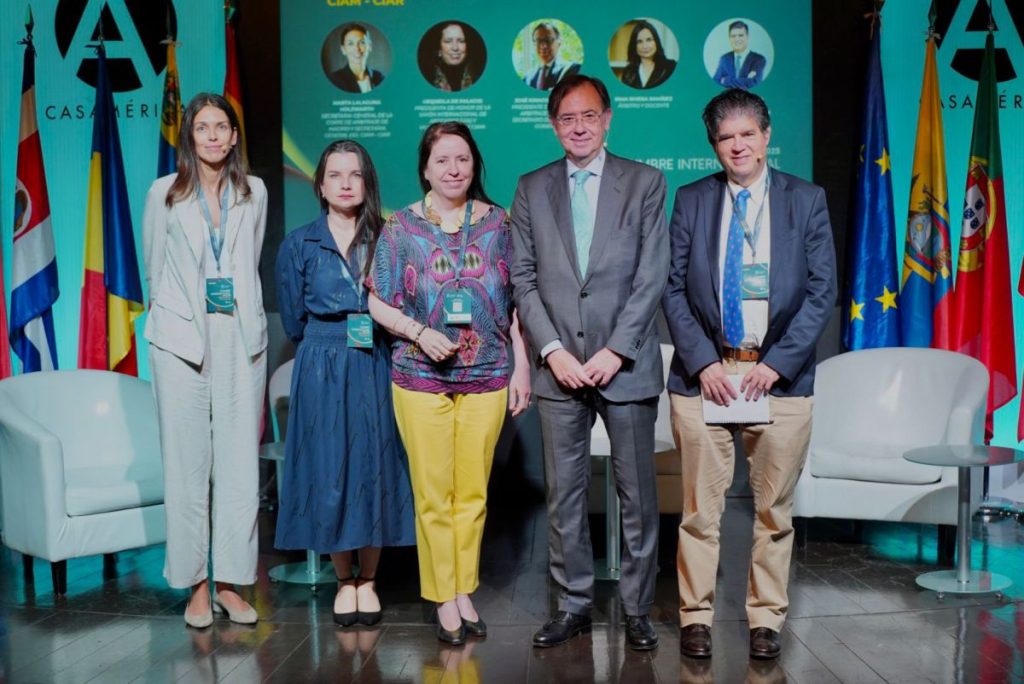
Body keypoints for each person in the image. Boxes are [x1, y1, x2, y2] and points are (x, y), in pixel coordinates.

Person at [662, 88, 836, 660]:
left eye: (746, 134)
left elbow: (821, 291)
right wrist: (703, 362)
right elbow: (672, 288)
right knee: (699, 513)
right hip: (705, 378)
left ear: (766, 136)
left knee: (773, 512)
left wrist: (776, 364)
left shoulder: (805, 200)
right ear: (714, 145)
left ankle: (765, 620)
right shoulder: (691, 199)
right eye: (725, 137)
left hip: (780, 379)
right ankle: (695, 617)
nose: (737, 145)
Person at [510, 74, 669, 651]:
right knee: (565, 497)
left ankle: (637, 610)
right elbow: (522, 277)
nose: (578, 127)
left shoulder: (645, 182)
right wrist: (552, 350)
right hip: (559, 371)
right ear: (554, 126)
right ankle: (573, 605)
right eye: (567, 119)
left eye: (589, 116)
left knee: (637, 497)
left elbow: (653, 274)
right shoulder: (531, 187)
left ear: (607, 119)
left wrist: (615, 349)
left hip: (625, 366)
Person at [366, 121, 532, 646]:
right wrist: (419, 332)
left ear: (474, 164)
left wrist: (522, 365)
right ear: (425, 169)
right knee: (434, 495)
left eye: (462, 159)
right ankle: (444, 599)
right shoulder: (400, 227)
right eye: (442, 160)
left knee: (473, 494)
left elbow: (516, 301)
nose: (453, 169)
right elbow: (376, 300)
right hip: (420, 375)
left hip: (488, 374)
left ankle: (463, 590)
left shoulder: (499, 223)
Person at [273, 140, 416, 627]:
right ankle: (343, 580)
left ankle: (369, 579)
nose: (346, 184)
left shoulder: (390, 238)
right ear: (320, 184)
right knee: (330, 470)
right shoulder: (299, 243)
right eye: (335, 175)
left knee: (375, 466)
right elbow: (293, 318)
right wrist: (327, 345)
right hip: (321, 362)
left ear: (367, 182)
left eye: (355, 174)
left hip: (375, 358)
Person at [143, 93, 268, 628]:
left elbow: (249, 259)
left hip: (239, 335)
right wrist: (174, 317)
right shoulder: (163, 193)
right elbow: (154, 267)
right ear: (189, 137)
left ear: (234, 137)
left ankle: (231, 585)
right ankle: (196, 584)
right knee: (187, 466)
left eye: (222, 127)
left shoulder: (254, 192)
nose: (213, 136)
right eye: (202, 127)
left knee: (239, 466)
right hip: (180, 338)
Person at [619, 20, 676, 90]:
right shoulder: (628, 73)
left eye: (649, 40)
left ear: (656, 41)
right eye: (639, 42)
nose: (645, 46)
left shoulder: (670, 67)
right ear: (634, 46)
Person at [523, 22, 581, 90]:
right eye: (538, 41)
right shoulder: (528, 78)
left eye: (548, 40)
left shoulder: (573, 70)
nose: (543, 46)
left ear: (559, 42)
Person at [329, 24, 384, 94]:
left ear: (369, 46)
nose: (357, 49)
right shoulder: (334, 80)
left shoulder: (380, 78)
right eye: (350, 44)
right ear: (343, 50)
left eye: (362, 42)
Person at [426, 22, 480, 92]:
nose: (455, 48)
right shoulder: (427, 78)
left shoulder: (479, 76)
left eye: (461, 41)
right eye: (448, 41)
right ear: (439, 49)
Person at [712, 20, 767, 89]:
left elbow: (754, 82)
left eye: (740, 35)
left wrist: (725, 80)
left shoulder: (758, 59)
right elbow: (716, 81)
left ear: (747, 36)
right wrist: (744, 79)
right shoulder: (725, 58)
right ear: (729, 38)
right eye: (733, 36)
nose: (737, 39)